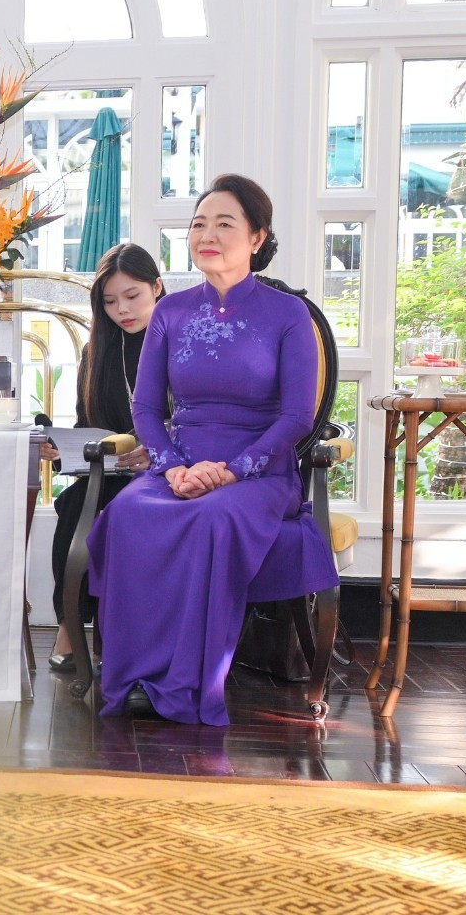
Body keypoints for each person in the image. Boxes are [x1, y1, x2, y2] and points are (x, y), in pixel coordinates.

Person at [86, 174, 338, 725]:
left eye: (225, 223)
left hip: (259, 471)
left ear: (256, 237)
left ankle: (185, 683)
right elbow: (147, 411)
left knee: (212, 519)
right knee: (127, 514)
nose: (208, 233)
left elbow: (297, 416)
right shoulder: (172, 313)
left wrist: (231, 471)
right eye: (199, 223)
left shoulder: (288, 315)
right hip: (180, 463)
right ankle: (132, 678)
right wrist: (174, 468)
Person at [41, 242, 163, 671]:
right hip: (110, 470)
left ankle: (99, 633)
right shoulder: (97, 353)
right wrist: (61, 448)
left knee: (99, 509)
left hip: (164, 470)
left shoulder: (179, 344)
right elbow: (85, 424)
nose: (122, 310)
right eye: (109, 302)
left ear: (157, 288)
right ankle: (69, 625)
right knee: (74, 504)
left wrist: (156, 452)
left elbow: (199, 419)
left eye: (132, 297)